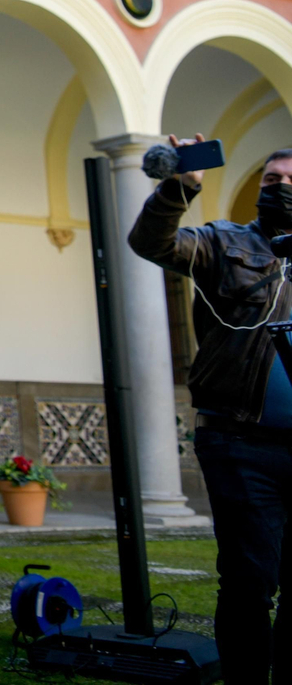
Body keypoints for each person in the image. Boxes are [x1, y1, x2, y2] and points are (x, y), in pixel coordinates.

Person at [129, 136, 292, 684]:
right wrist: (181, 185)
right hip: (239, 444)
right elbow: (153, 243)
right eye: (273, 181)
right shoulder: (225, 243)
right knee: (250, 580)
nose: (282, 188)